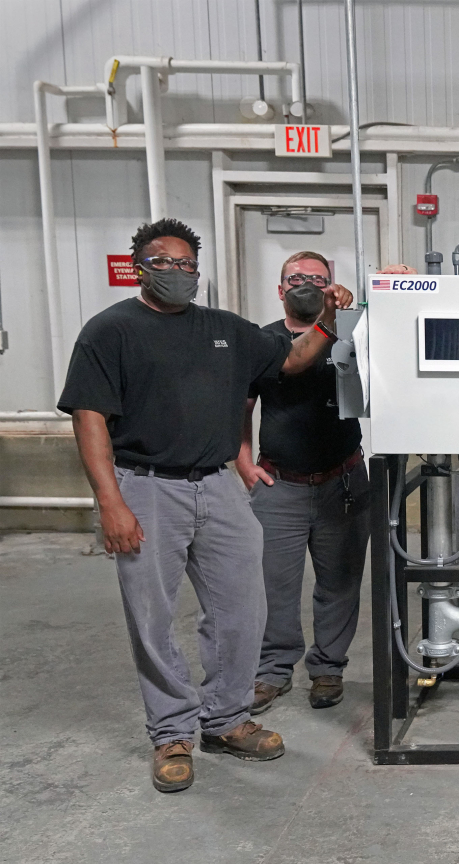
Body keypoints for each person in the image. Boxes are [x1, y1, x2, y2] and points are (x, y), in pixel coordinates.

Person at [60, 218, 351, 793]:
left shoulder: (224, 330)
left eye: (187, 264)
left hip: (218, 486)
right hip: (146, 486)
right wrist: (111, 503)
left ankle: (225, 718)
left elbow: (291, 360)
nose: (177, 272)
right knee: (153, 615)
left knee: (243, 607)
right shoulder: (110, 331)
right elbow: (89, 417)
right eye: (163, 262)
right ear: (139, 266)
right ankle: (171, 730)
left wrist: (328, 315)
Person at [237, 253, 367, 715]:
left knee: (340, 581)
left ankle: (328, 667)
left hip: (343, 480)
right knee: (274, 584)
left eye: (318, 279)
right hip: (280, 485)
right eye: (297, 278)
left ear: (333, 287)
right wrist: (244, 463)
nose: (306, 284)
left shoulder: (354, 334)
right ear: (280, 289)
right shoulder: (262, 340)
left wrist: (383, 292)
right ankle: (273, 671)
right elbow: (241, 405)